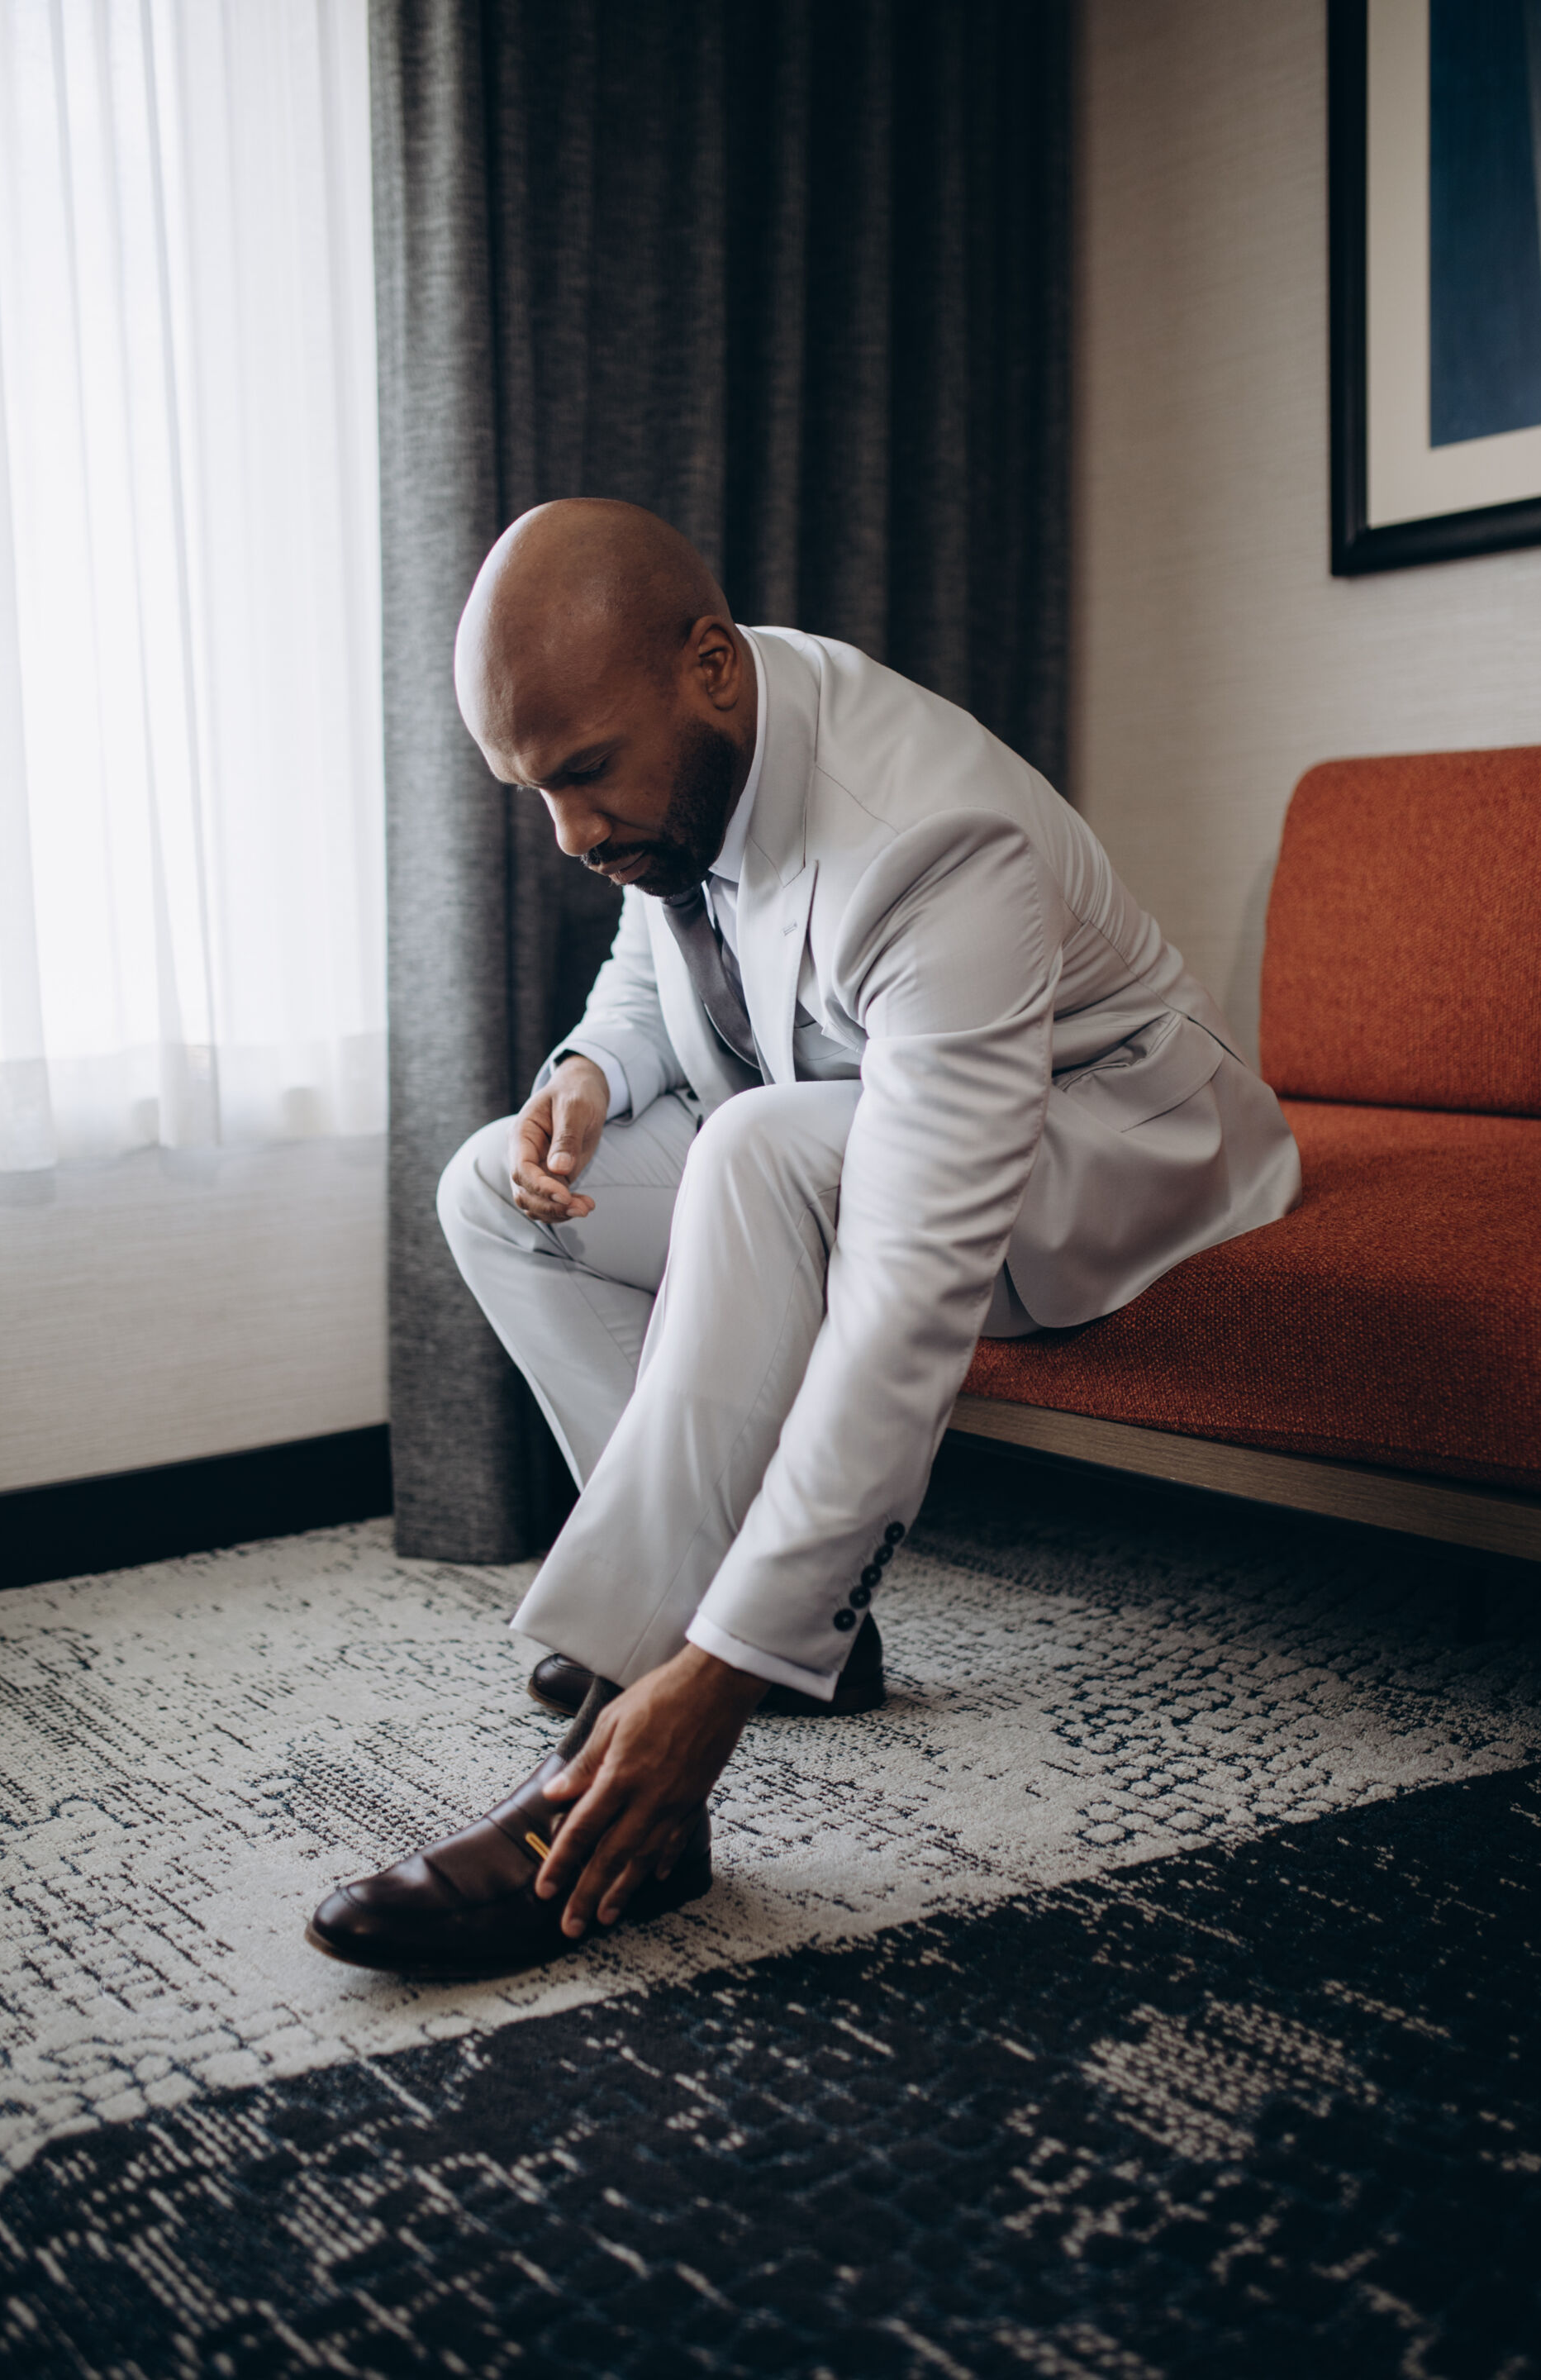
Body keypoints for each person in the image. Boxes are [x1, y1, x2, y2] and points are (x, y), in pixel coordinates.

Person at [306, 500, 1301, 1978]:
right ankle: (696, 1615)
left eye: (583, 777)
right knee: (488, 1191)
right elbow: (659, 942)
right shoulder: (701, 732)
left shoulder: (930, 837)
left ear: (710, 666)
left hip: (1115, 1143)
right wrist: (588, 1074)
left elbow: (907, 1298)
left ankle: (631, 1755)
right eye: (535, 791)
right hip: (872, 1119)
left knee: (758, 1148)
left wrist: (726, 1675)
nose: (569, 835)